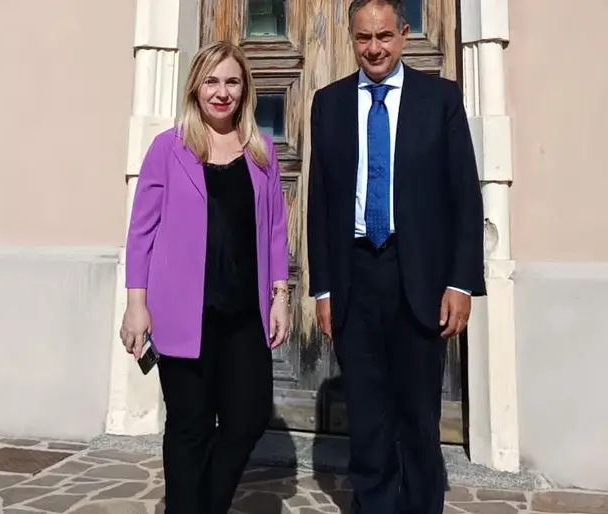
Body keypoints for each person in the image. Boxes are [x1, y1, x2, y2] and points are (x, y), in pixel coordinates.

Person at [306, 0, 486, 512]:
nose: (374, 49)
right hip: (356, 273)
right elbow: (320, 201)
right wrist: (323, 287)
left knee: (418, 414)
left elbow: (464, 197)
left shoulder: (440, 99)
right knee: (367, 416)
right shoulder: (329, 103)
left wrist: (460, 282)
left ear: (404, 35)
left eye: (384, 36)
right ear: (351, 38)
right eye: (364, 38)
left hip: (421, 278)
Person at [120, 41, 290, 514]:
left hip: (244, 314)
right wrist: (137, 304)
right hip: (182, 315)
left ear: (244, 89)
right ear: (196, 87)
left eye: (232, 81)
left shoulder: (261, 151)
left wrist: (280, 294)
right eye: (212, 81)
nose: (222, 92)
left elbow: (276, 228)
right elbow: (142, 232)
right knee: (190, 428)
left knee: (248, 419)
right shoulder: (168, 149)